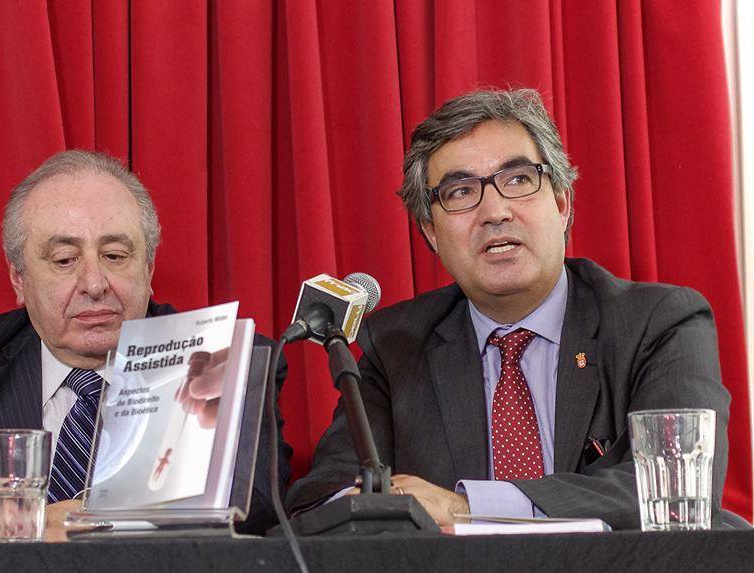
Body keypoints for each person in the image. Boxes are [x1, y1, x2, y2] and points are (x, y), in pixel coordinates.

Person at [285, 89, 731, 530]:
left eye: (518, 180)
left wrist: (467, 508)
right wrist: (370, 508)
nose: (494, 212)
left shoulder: (658, 322)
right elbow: (322, 499)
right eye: (461, 191)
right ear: (432, 233)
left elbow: (679, 487)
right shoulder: (394, 347)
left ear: (561, 204)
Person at [0, 150, 291, 542]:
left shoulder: (217, 358)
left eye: (115, 256)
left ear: (148, 269)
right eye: (64, 260)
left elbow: (253, 503)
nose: (94, 283)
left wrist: (66, 522)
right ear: (19, 279)